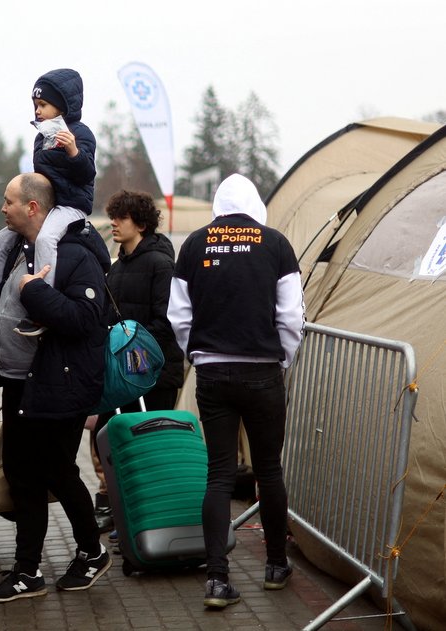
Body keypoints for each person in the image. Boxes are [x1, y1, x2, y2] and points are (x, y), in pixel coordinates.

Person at [167, 173, 304, 609]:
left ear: (218, 205)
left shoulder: (192, 245)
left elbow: (178, 316)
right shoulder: (276, 244)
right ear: (255, 204)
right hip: (263, 372)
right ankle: (276, 566)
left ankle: (217, 580)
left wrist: (199, 355)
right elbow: (291, 316)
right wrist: (280, 357)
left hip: (213, 374)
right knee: (269, 469)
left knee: (220, 473)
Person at [0, 173, 111, 602]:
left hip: (59, 386)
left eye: (9, 201)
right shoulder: (18, 247)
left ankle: (92, 552)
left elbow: (84, 319)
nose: (3, 209)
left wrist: (35, 294)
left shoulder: (74, 255)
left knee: (57, 471)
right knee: (23, 476)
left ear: (32, 207)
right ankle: (27, 570)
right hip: (20, 384)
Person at [0, 68, 96, 337]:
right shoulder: (41, 137)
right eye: (35, 105)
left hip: (71, 206)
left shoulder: (80, 134)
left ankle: (43, 303)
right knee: (1, 238)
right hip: (48, 205)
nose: (37, 111)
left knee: (46, 240)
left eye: (43, 105)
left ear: (63, 105)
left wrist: (73, 151)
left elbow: (87, 174)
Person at [90, 190, 185, 529]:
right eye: (112, 216)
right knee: (112, 442)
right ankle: (121, 513)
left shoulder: (161, 264)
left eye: (122, 217)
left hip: (154, 374)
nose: (113, 223)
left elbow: (166, 321)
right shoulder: (117, 267)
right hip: (122, 375)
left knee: (148, 448)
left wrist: (129, 353)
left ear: (141, 223)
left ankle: (150, 517)